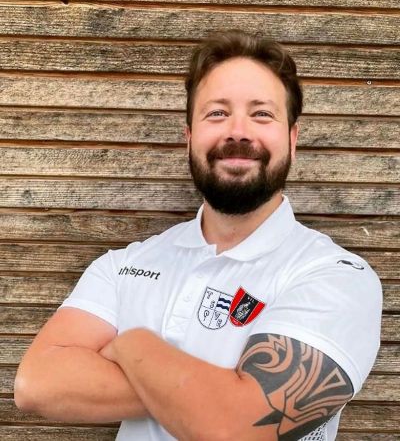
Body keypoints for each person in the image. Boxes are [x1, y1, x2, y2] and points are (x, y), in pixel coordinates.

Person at [14, 30, 382, 440]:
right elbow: (36, 384)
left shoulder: (337, 277)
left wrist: (133, 345)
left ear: (292, 140)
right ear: (188, 137)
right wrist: (210, 392)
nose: (238, 132)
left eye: (262, 114)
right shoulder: (126, 265)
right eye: (217, 113)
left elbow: (236, 428)